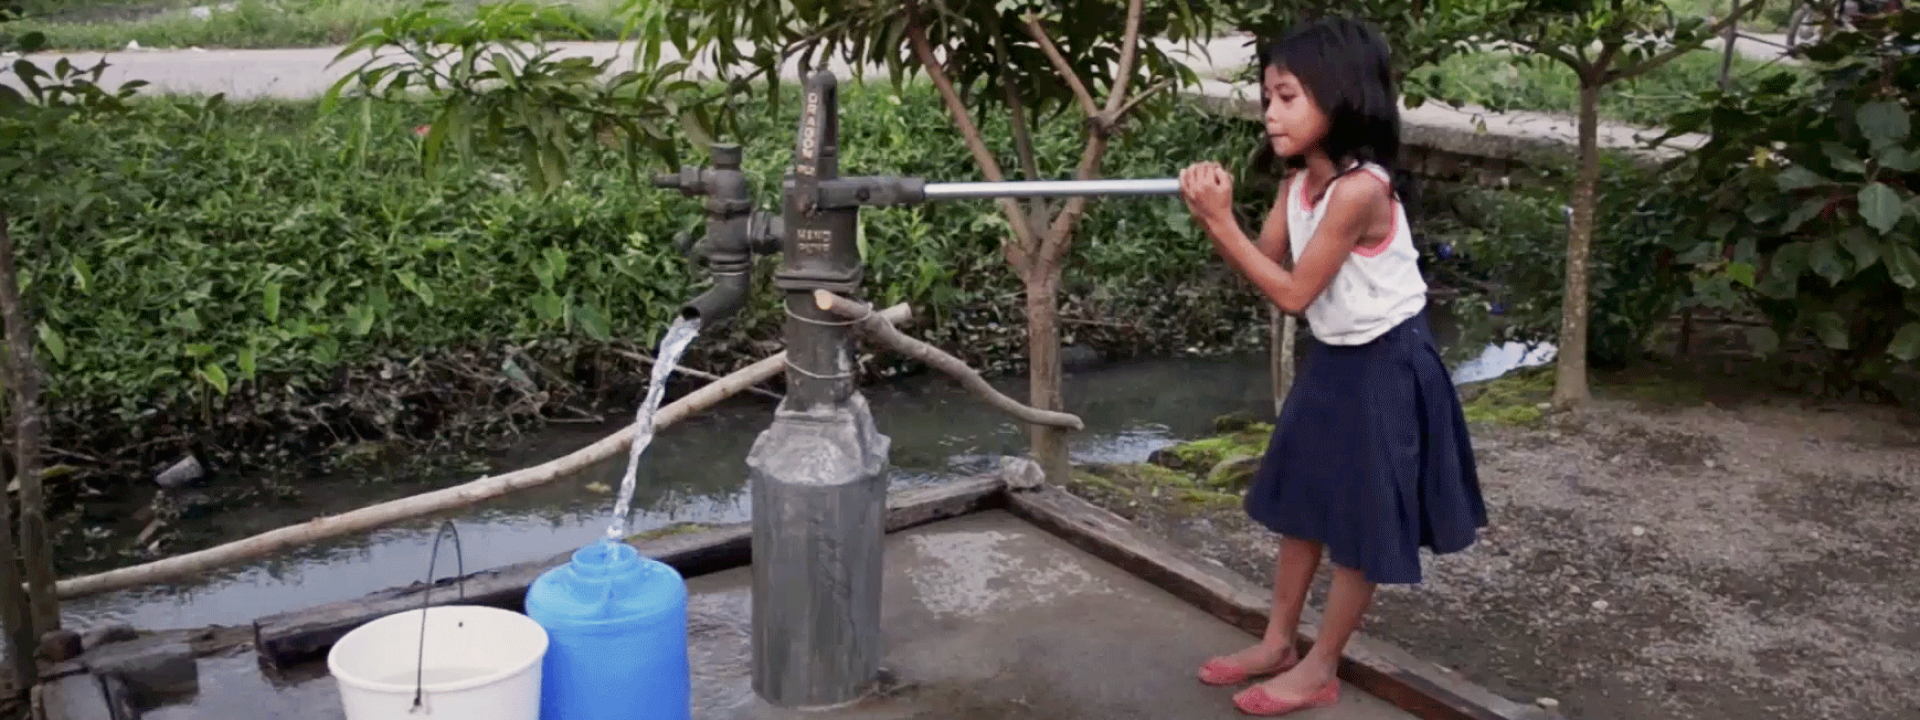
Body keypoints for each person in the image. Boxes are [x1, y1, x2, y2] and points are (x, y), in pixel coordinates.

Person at [1176, 16, 1488, 717]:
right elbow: (1265, 259)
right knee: (1304, 505)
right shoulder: (1300, 182)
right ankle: (1278, 639)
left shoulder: (1360, 191)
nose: (1271, 113)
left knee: (1359, 521)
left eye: (1287, 97)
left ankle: (1321, 664)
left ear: (1342, 97)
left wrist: (1218, 223)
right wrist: (1217, 214)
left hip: (1388, 366)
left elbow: (1291, 294)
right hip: (1336, 358)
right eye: (1267, 97)